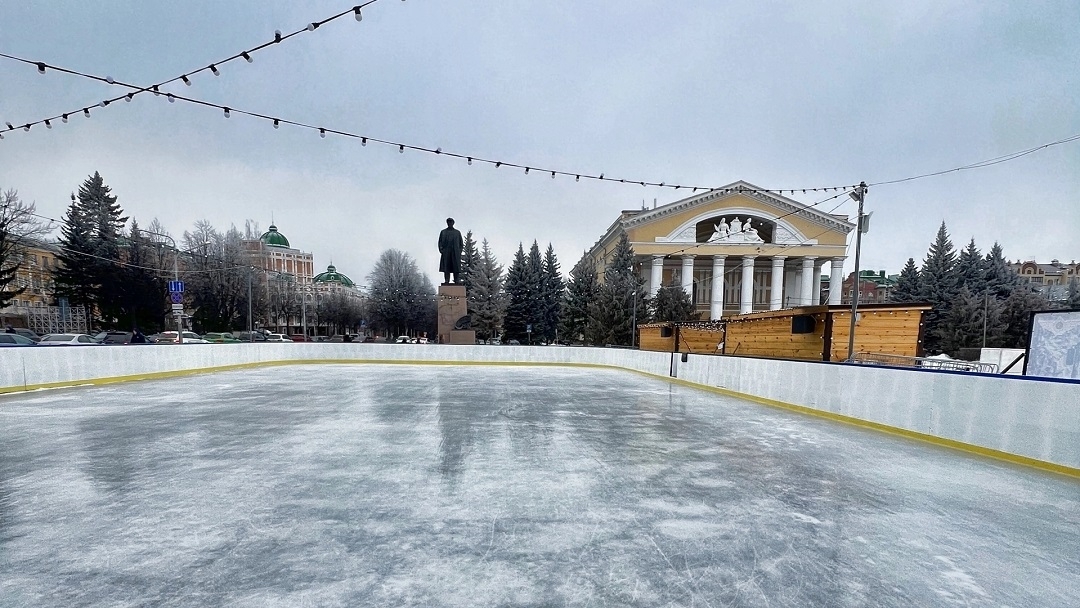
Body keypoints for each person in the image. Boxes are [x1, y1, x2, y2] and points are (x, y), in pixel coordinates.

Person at [438, 217, 464, 285]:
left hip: (455, 252)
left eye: (451, 222)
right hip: (446, 252)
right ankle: (447, 280)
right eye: (448, 222)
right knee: (446, 267)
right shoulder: (443, 232)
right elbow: (440, 242)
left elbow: (461, 243)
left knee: (456, 267)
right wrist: (442, 250)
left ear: (453, 223)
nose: (449, 223)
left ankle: (456, 280)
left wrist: (459, 251)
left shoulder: (457, 233)